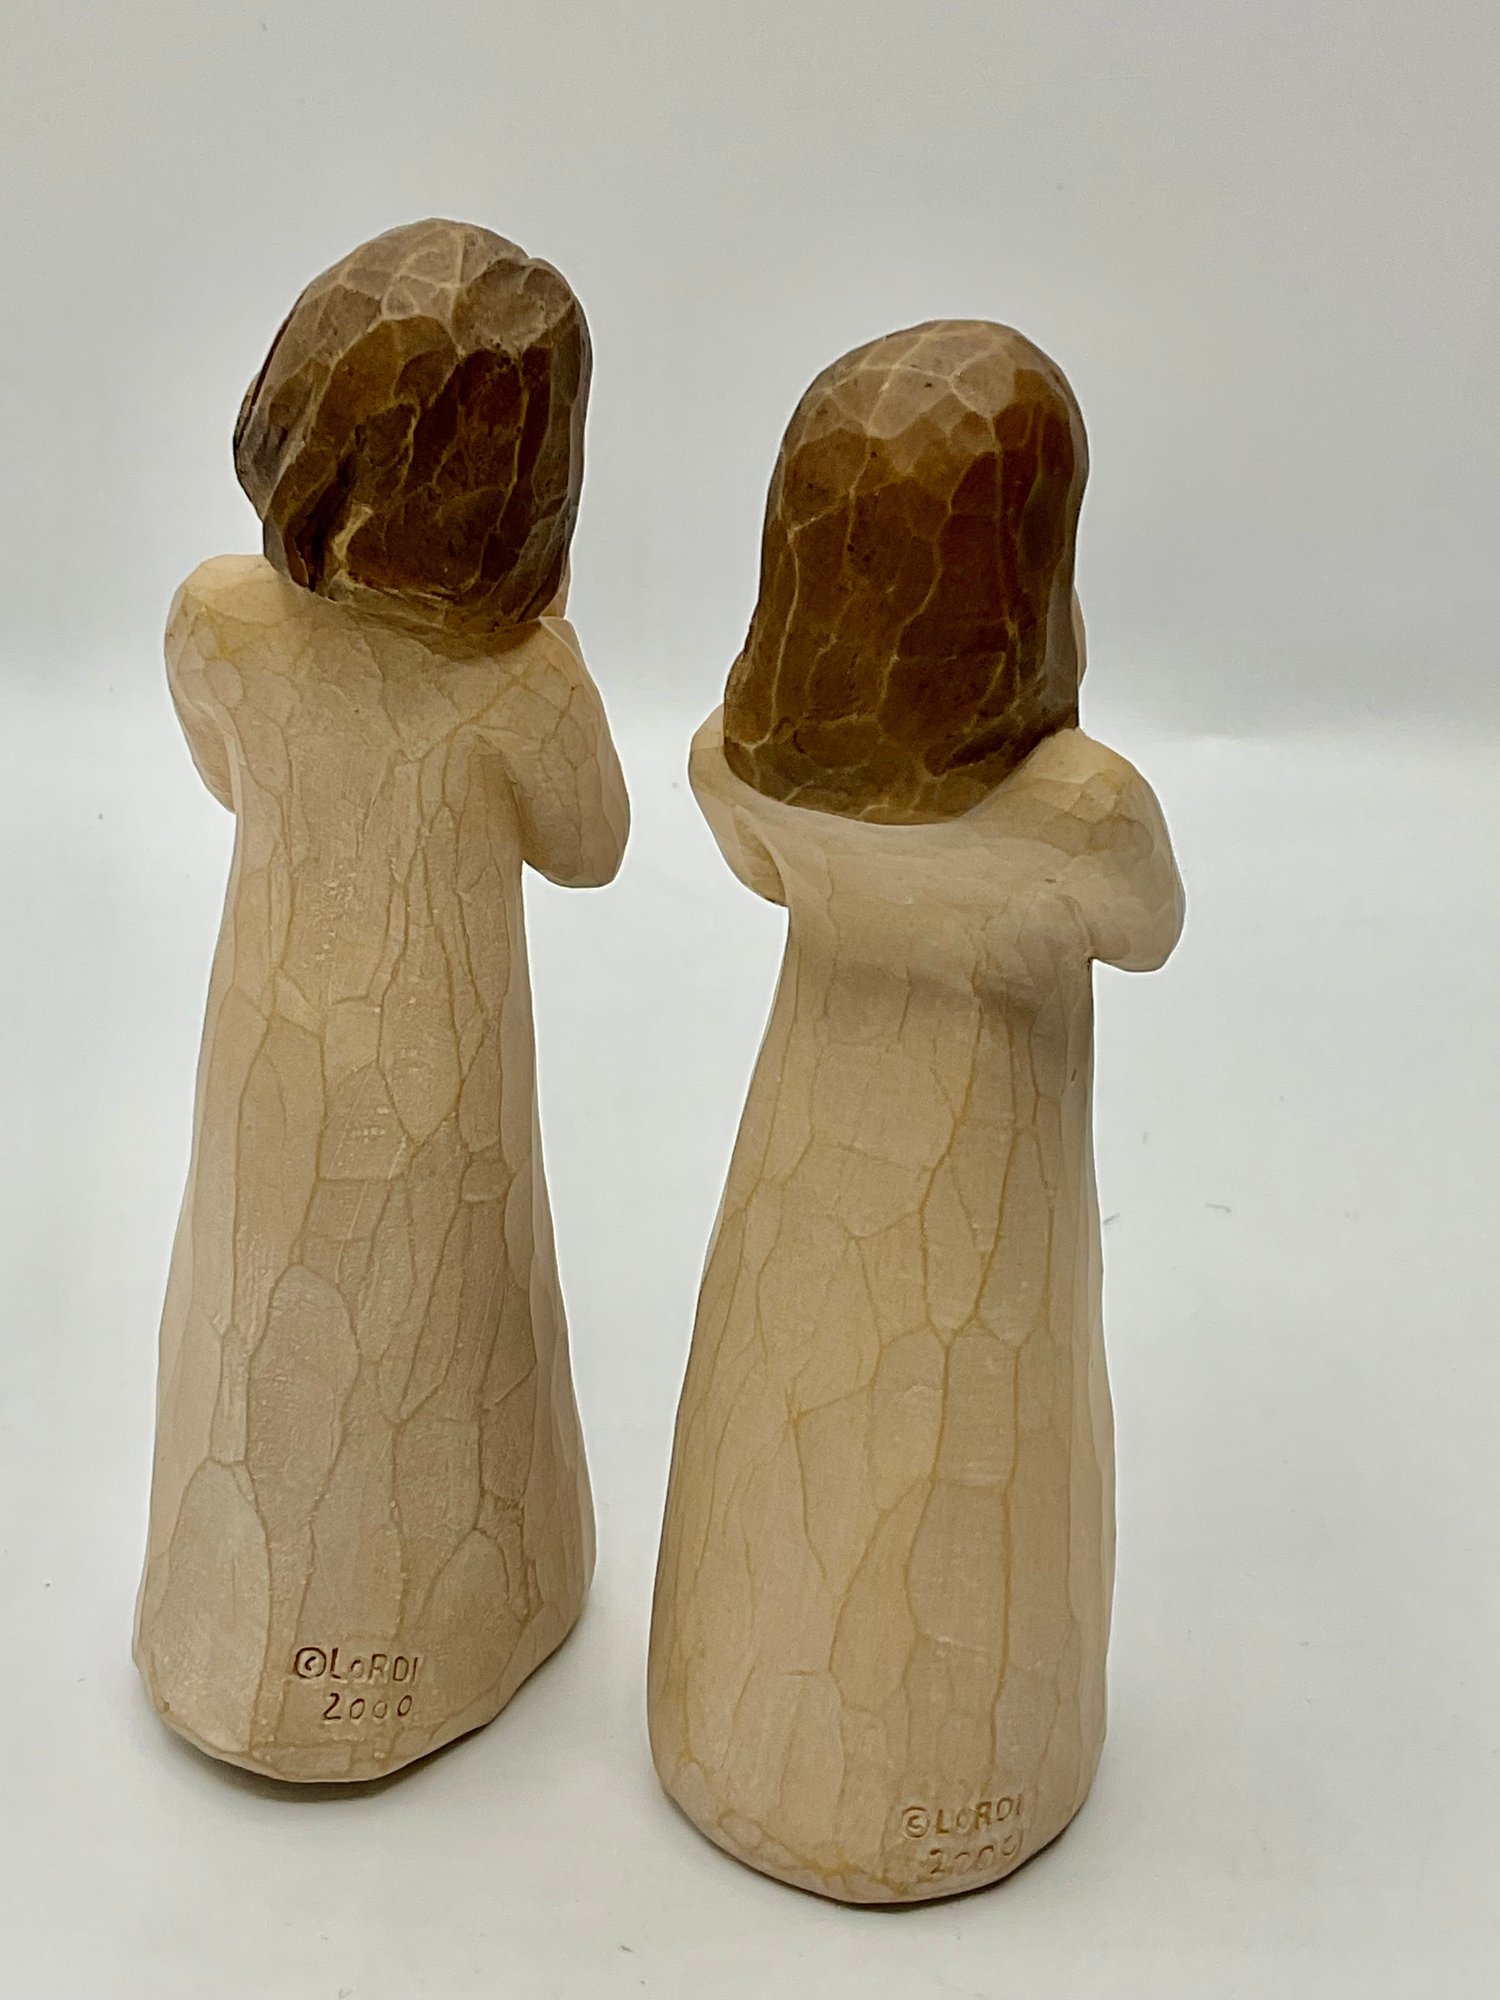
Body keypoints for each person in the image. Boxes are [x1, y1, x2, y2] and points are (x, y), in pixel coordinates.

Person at [649, 321, 1184, 1901]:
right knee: (969, 1471)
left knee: (783, 1435)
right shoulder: (1075, 810)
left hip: (804, 1176)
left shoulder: (736, 768)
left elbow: (754, 863)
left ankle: (734, 1726)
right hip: (986, 1208)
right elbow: (1149, 928)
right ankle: (967, 1768)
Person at [136, 220, 628, 1781]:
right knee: (438, 1319)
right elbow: (595, 846)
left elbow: (226, 774)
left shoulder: (219, 616)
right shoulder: (521, 681)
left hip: (269, 1042)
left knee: (256, 1307)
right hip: (438, 1063)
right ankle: (457, 1614)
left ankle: (230, 1624)